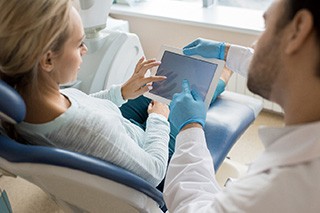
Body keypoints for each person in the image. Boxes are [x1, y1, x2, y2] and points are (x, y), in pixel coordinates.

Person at [0, 0, 230, 188]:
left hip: (122, 129)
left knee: (160, 83)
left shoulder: (26, 95)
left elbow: (83, 105)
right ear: (48, 59)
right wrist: (159, 119)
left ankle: (211, 76)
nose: (85, 50)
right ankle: (224, 75)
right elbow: (154, 172)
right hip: (155, 157)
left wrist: (121, 92)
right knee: (186, 96)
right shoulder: (89, 128)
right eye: (79, 44)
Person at [164, 0, 320, 212]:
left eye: (265, 28)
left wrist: (189, 130)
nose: (255, 45)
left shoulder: (279, 188)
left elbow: (192, 208)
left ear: (299, 29)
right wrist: (226, 52)